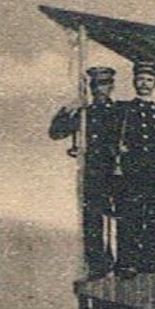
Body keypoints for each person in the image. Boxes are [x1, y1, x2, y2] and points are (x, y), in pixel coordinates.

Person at [48, 65, 123, 280]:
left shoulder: (120, 111)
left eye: (105, 84)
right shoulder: (84, 114)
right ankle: (99, 263)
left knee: (122, 216)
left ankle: (123, 264)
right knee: (93, 219)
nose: (101, 89)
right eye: (96, 85)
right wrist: (68, 110)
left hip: (118, 170)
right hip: (93, 171)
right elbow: (56, 132)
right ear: (91, 88)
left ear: (112, 86)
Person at [111, 60, 155, 278]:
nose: (144, 84)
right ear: (134, 82)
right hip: (131, 175)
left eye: (149, 80)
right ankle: (127, 263)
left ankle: (150, 263)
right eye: (140, 79)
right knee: (130, 219)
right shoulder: (124, 110)